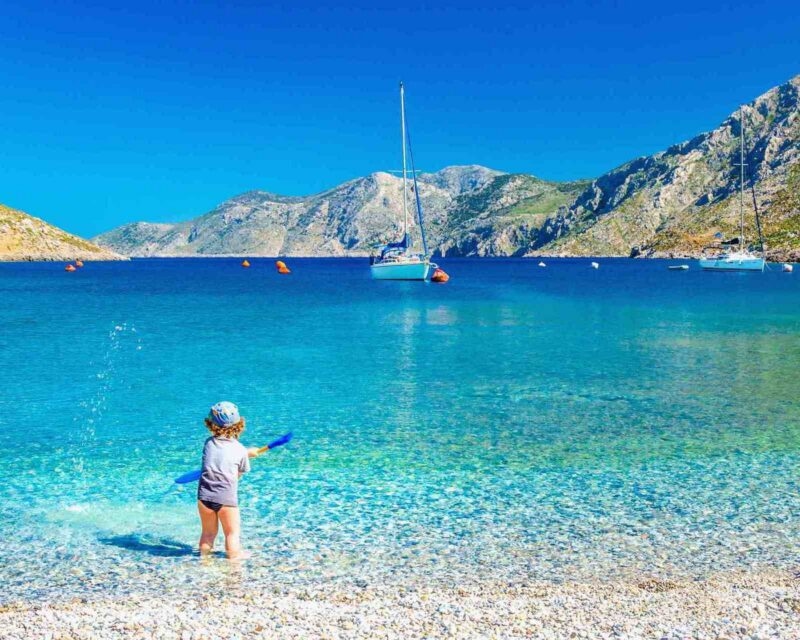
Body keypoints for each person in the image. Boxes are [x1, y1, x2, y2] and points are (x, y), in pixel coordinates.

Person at [197, 401, 262, 559]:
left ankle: (204, 561)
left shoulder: (208, 443)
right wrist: (247, 454)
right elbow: (237, 475)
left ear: (211, 424)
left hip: (204, 497)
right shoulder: (240, 450)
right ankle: (234, 564)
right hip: (226, 499)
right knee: (232, 534)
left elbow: (222, 456)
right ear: (239, 425)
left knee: (208, 533)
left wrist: (245, 453)